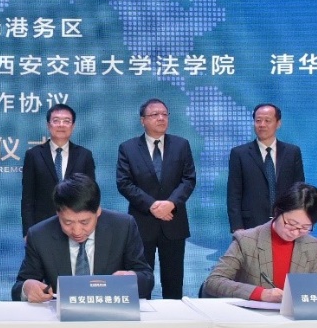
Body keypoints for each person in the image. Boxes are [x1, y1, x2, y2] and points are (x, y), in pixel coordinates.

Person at [14, 173, 153, 302]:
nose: (77, 231)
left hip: (111, 312)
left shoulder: (123, 227)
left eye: (84, 222)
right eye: (67, 222)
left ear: (98, 211)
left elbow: (146, 278)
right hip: (61, 315)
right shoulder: (39, 235)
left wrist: (132, 279)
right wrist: (27, 288)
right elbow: (19, 287)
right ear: (58, 213)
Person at [115, 98, 196, 299]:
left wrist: (171, 203)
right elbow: (124, 183)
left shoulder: (181, 145)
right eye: (154, 114)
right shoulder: (128, 148)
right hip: (142, 224)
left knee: (174, 283)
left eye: (164, 114)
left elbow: (188, 179)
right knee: (141, 283)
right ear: (142, 120)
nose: (161, 118)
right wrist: (152, 206)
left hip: (174, 222)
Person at [203, 182, 317, 301]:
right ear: (277, 211)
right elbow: (213, 281)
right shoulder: (246, 240)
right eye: (291, 224)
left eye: (305, 228)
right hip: (252, 313)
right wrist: (260, 294)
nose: (295, 233)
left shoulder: (313, 246)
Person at [226, 103, 305, 232]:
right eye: (258, 120)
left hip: (287, 224)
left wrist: (298, 223)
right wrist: (237, 228)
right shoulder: (239, 154)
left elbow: (299, 190)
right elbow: (234, 194)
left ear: (278, 123)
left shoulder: (292, 152)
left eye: (267, 120)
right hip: (250, 226)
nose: (262, 125)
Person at [20, 103, 96, 236]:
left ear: (73, 126)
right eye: (56, 121)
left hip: (75, 226)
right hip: (42, 226)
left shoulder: (84, 155)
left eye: (66, 121)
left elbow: (91, 194)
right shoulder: (33, 155)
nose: (61, 125)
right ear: (48, 125)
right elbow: (28, 198)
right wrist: (28, 232)